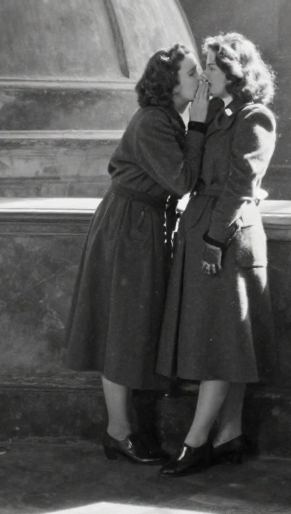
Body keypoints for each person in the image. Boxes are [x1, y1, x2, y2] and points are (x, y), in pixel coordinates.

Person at [64, 44, 212, 464]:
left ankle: (122, 430)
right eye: (192, 73)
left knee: (130, 325)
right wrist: (200, 124)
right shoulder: (153, 121)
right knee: (122, 328)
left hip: (142, 223)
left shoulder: (167, 118)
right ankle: (118, 432)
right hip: (130, 226)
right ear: (170, 84)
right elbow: (182, 180)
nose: (200, 79)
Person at [156, 32, 277, 477]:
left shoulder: (254, 116)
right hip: (206, 230)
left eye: (210, 65)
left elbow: (242, 186)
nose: (205, 74)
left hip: (225, 237)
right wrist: (199, 123)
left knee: (223, 344)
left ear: (233, 69)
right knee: (226, 342)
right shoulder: (221, 114)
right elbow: (192, 177)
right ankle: (229, 436)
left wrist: (213, 238)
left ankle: (196, 442)